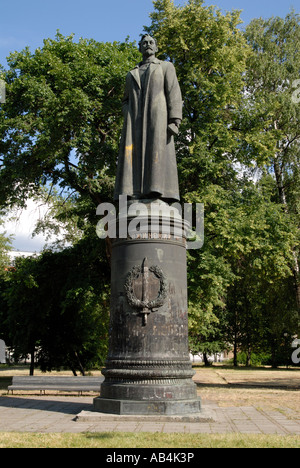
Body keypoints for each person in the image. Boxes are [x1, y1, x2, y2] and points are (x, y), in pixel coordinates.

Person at [114, 34, 183, 202]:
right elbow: (125, 100)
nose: (148, 45)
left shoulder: (165, 67)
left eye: (151, 42)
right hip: (134, 123)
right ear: (140, 48)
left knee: (157, 154)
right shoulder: (131, 74)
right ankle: (133, 193)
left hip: (157, 119)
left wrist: (175, 121)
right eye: (144, 43)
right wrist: (129, 113)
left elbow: (174, 93)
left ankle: (156, 192)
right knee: (133, 157)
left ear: (156, 47)